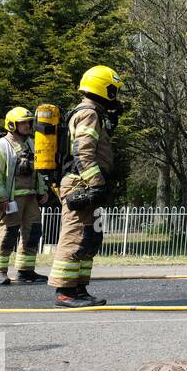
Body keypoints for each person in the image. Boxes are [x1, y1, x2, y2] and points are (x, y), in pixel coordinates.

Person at [48, 66, 123, 307]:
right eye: (113, 90)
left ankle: (79, 288)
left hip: (88, 183)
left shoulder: (94, 113)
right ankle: (65, 292)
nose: (116, 96)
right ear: (103, 87)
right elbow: (83, 152)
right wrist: (96, 183)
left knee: (89, 238)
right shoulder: (89, 113)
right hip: (82, 184)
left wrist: (111, 120)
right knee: (75, 237)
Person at [0, 106, 49, 284]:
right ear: (12, 125)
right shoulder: (0, 146)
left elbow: (38, 171)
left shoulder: (31, 144)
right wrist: (2, 199)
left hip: (30, 197)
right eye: (23, 123)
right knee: (8, 233)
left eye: (29, 122)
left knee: (33, 233)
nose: (28, 126)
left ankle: (25, 271)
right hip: (11, 199)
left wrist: (42, 190)